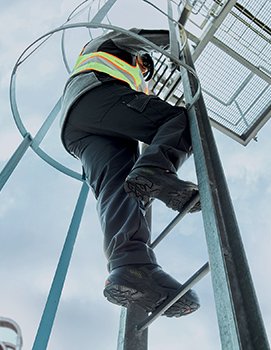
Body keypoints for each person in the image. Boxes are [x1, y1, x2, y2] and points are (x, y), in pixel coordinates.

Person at [59, 28, 201, 317]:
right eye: (145, 64)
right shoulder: (113, 42)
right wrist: (179, 38)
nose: (145, 70)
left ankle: (131, 267)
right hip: (98, 95)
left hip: (77, 128)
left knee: (118, 189)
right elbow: (160, 36)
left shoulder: (132, 81)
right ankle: (156, 170)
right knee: (180, 120)